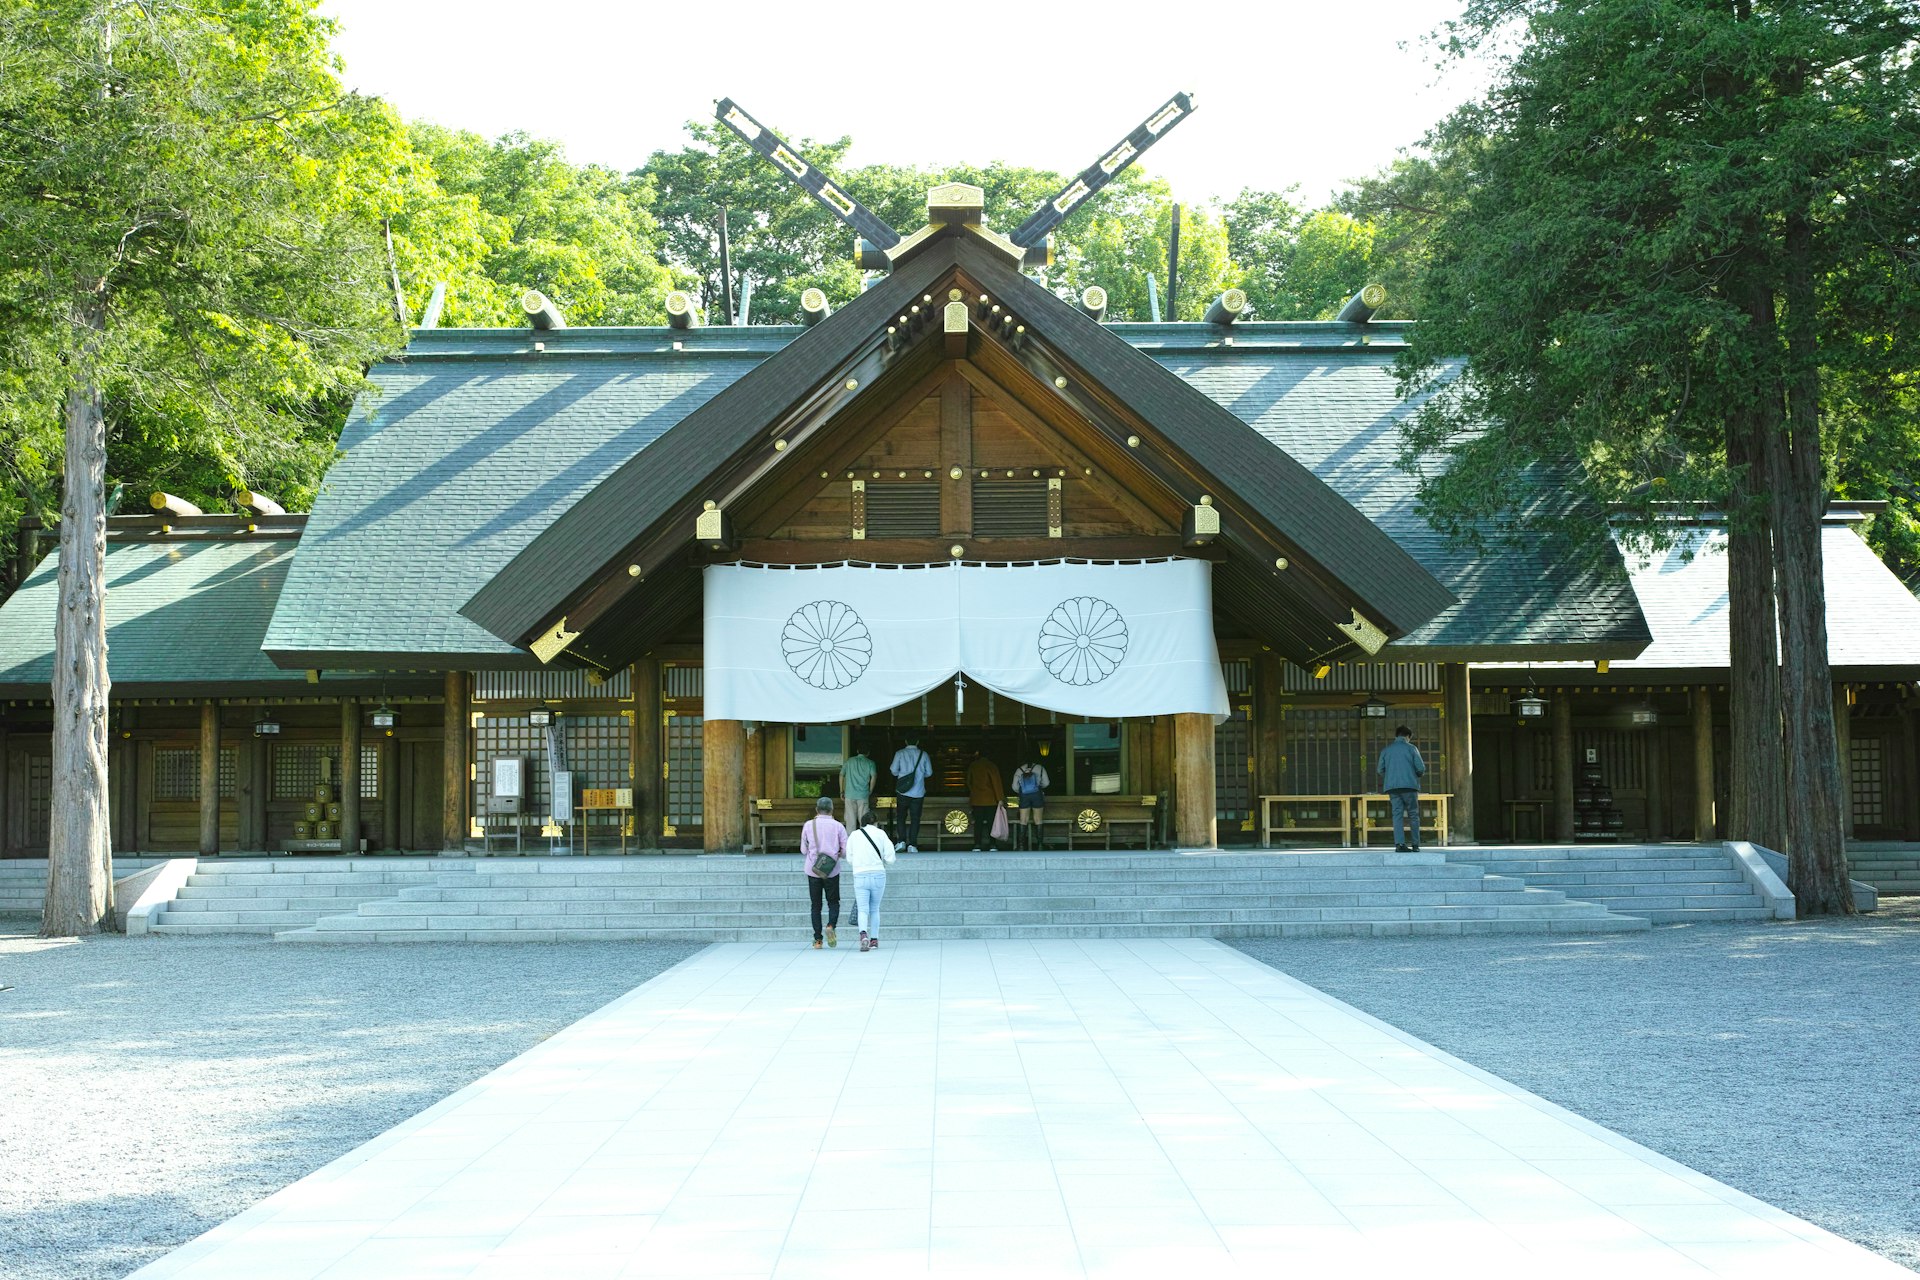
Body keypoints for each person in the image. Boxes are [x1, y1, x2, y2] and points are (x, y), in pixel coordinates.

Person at [799, 796, 846, 949]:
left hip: (813, 869)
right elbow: (845, 851)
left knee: (816, 905)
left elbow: (803, 850)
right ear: (832, 809)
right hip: (832, 870)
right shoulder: (838, 826)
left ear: (816, 810)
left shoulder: (808, 825)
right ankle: (831, 925)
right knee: (833, 902)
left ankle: (818, 940)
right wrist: (837, 854)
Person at [846, 814, 897, 951]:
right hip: (878, 874)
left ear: (861, 823)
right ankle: (874, 939)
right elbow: (890, 858)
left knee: (863, 909)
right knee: (875, 909)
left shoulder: (854, 835)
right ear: (876, 822)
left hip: (860, 874)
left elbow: (849, 858)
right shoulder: (881, 834)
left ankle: (863, 934)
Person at [1376, 724, 1428, 852]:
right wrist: (1415, 775)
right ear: (1408, 736)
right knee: (1413, 815)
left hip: (1393, 787)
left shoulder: (1386, 750)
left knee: (1397, 815)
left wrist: (1390, 776)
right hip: (1409, 786)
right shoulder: (1412, 749)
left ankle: (1399, 844)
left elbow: (1379, 770)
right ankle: (1415, 845)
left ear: (1396, 736)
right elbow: (1420, 768)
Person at [888, 735, 933, 852]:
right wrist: (919, 776)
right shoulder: (924, 754)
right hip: (918, 792)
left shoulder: (899, 753)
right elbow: (929, 772)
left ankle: (901, 841)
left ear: (905, 741)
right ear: (917, 741)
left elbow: (893, 771)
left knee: (901, 817)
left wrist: (902, 775)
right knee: (915, 818)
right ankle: (912, 845)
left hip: (903, 791)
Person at [965, 749, 1006, 851]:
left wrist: (974, 791)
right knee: (991, 823)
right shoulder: (991, 766)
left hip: (977, 799)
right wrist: (1000, 798)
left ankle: (977, 845)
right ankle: (992, 845)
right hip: (990, 799)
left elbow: (968, 781)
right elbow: (996, 783)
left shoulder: (973, 765)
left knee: (978, 823)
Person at [1011, 755, 1050, 850]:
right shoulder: (1040, 768)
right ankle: (1040, 845)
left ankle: (1021, 846)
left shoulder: (1019, 770)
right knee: (1038, 819)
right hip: (1037, 794)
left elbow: (1014, 787)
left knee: (1023, 820)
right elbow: (1046, 783)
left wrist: (1023, 789)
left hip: (1024, 795)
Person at [840, 747, 876, 831]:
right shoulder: (870, 763)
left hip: (849, 794)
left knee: (850, 822)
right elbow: (874, 776)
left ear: (857, 750)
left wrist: (841, 791)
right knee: (864, 821)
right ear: (868, 753)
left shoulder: (849, 761)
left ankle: (850, 840)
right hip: (863, 795)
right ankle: (864, 840)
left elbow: (841, 775)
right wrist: (870, 790)